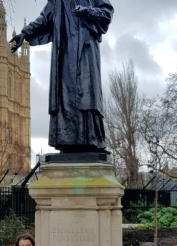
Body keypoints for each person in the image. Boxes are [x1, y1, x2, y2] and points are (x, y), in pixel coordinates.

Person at [10, 1, 114, 153]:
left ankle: (92, 140)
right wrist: (25, 33)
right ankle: (67, 141)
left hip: (85, 53)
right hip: (64, 56)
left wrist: (87, 11)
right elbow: (44, 19)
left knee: (87, 95)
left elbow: (106, 13)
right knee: (65, 98)